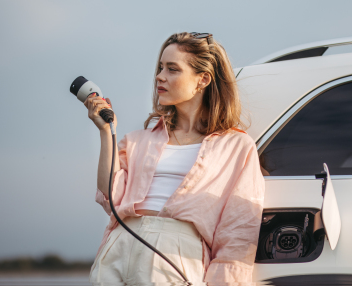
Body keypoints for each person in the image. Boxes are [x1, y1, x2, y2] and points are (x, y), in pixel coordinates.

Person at [86, 32, 265, 285]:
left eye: (172, 69)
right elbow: (110, 199)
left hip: (175, 256)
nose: (160, 76)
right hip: (119, 245)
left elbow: (237, 233)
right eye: (160, 67)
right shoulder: (138, 140)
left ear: (202, 79)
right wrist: (106, 131)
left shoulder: (236, 147)